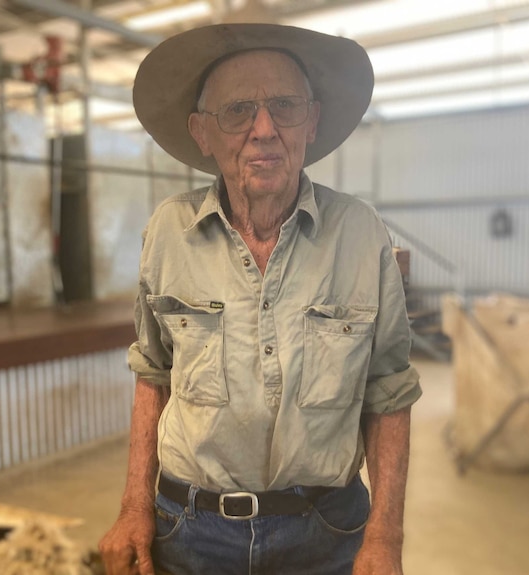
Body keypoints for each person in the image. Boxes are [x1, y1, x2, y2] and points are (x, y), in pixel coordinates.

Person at [99, 23, 421, 575]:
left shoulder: (362, 234)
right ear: (202, 133)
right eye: (238, 111)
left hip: (327, 531)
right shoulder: (169, 232)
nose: (265, 129)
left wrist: (385, 536)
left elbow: (388, 389)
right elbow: (153, 374)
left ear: (312, 121)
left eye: (286, 106)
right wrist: (134, 506)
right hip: (190, 530)